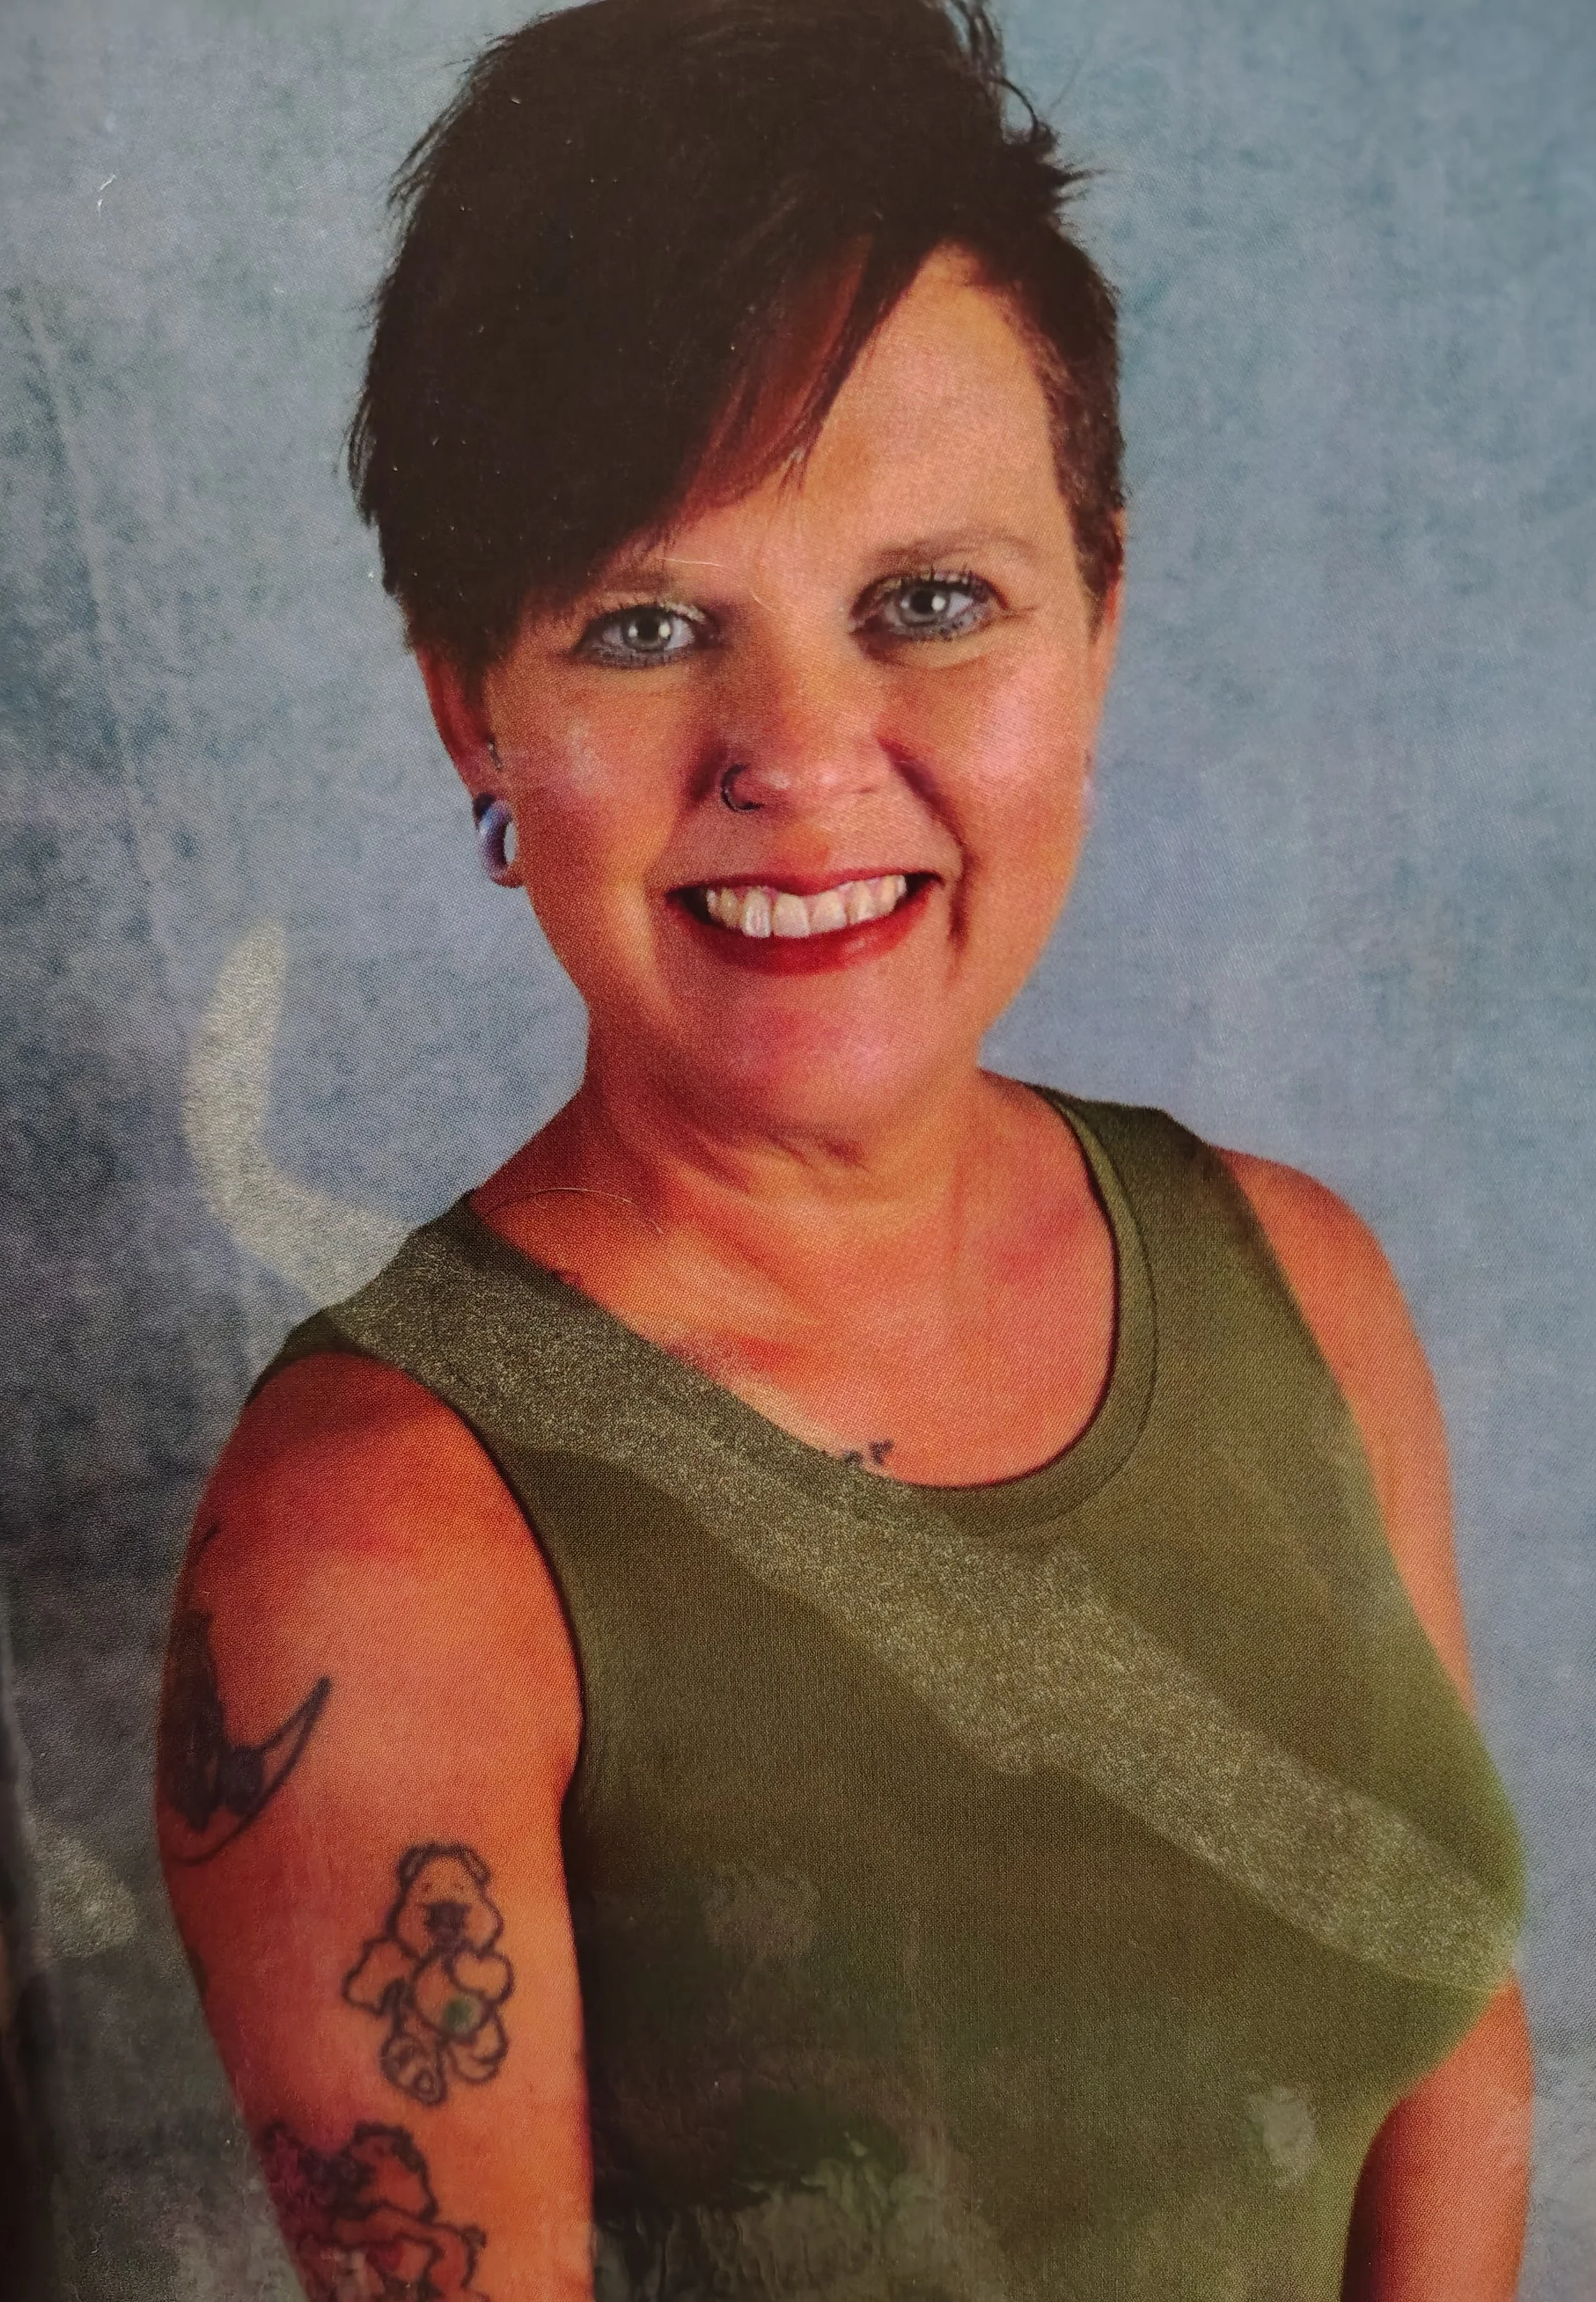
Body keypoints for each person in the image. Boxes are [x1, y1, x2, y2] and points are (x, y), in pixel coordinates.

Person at [156, 1, 1531, 2295]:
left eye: (928, 604)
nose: (799, 756)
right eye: (647, 622)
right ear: (467, 708)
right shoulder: (378, 1564)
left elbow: (1444, 2042)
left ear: (1099, 612)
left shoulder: (1294, 1279)